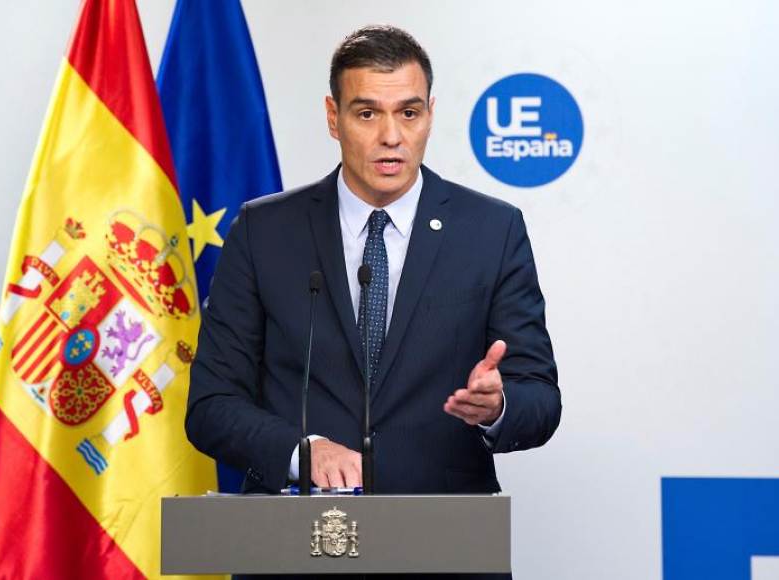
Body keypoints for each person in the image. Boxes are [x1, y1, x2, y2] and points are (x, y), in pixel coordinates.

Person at [186, 24, 561, 578]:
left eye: (408, 113)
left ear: (429, 114)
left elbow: (541, 401)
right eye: (367, 114)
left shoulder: (492, 231)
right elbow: (211, 406)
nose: (392, 136)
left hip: (445, 550)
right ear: (334, 118)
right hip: (294, 549)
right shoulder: (263, 231)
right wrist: (303, 450)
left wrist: (499, 407)